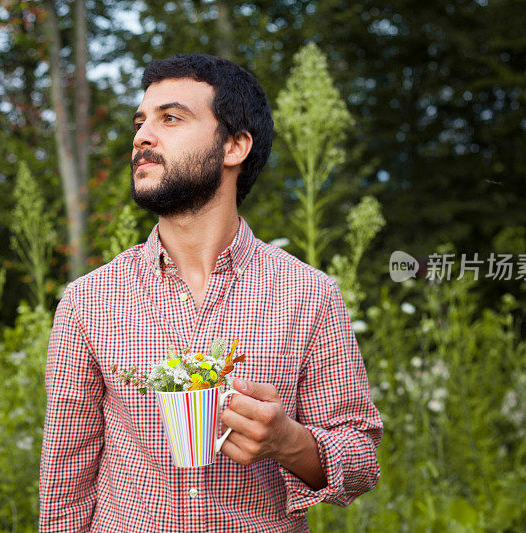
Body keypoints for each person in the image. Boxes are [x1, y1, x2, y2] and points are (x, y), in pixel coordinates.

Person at [38, 53, 383, 532]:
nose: (142, 136)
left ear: (235, 146)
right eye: (140, 121)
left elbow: (361, 460)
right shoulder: (87, 302)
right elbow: (64, 482)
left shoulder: (310, 294)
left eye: (171, 118)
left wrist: (288, 441)